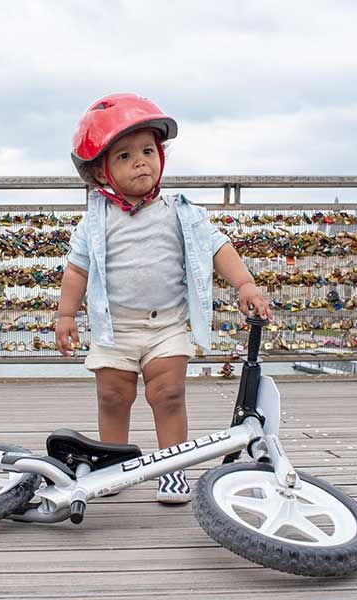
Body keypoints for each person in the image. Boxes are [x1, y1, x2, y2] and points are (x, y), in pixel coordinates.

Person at [55, 93, 272, 503]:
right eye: (124, 156)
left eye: (147, 151)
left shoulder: (180, 210)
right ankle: (113, 466)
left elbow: (217, 247)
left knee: (168, 393)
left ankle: (172, 468)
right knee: (113, 396)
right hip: (114, 326)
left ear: (161, 156)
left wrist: (245, 284)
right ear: (101, 171)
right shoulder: (95, 219)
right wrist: (66, 315)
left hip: (166, 323)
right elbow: (77, 269)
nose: (140, 161)